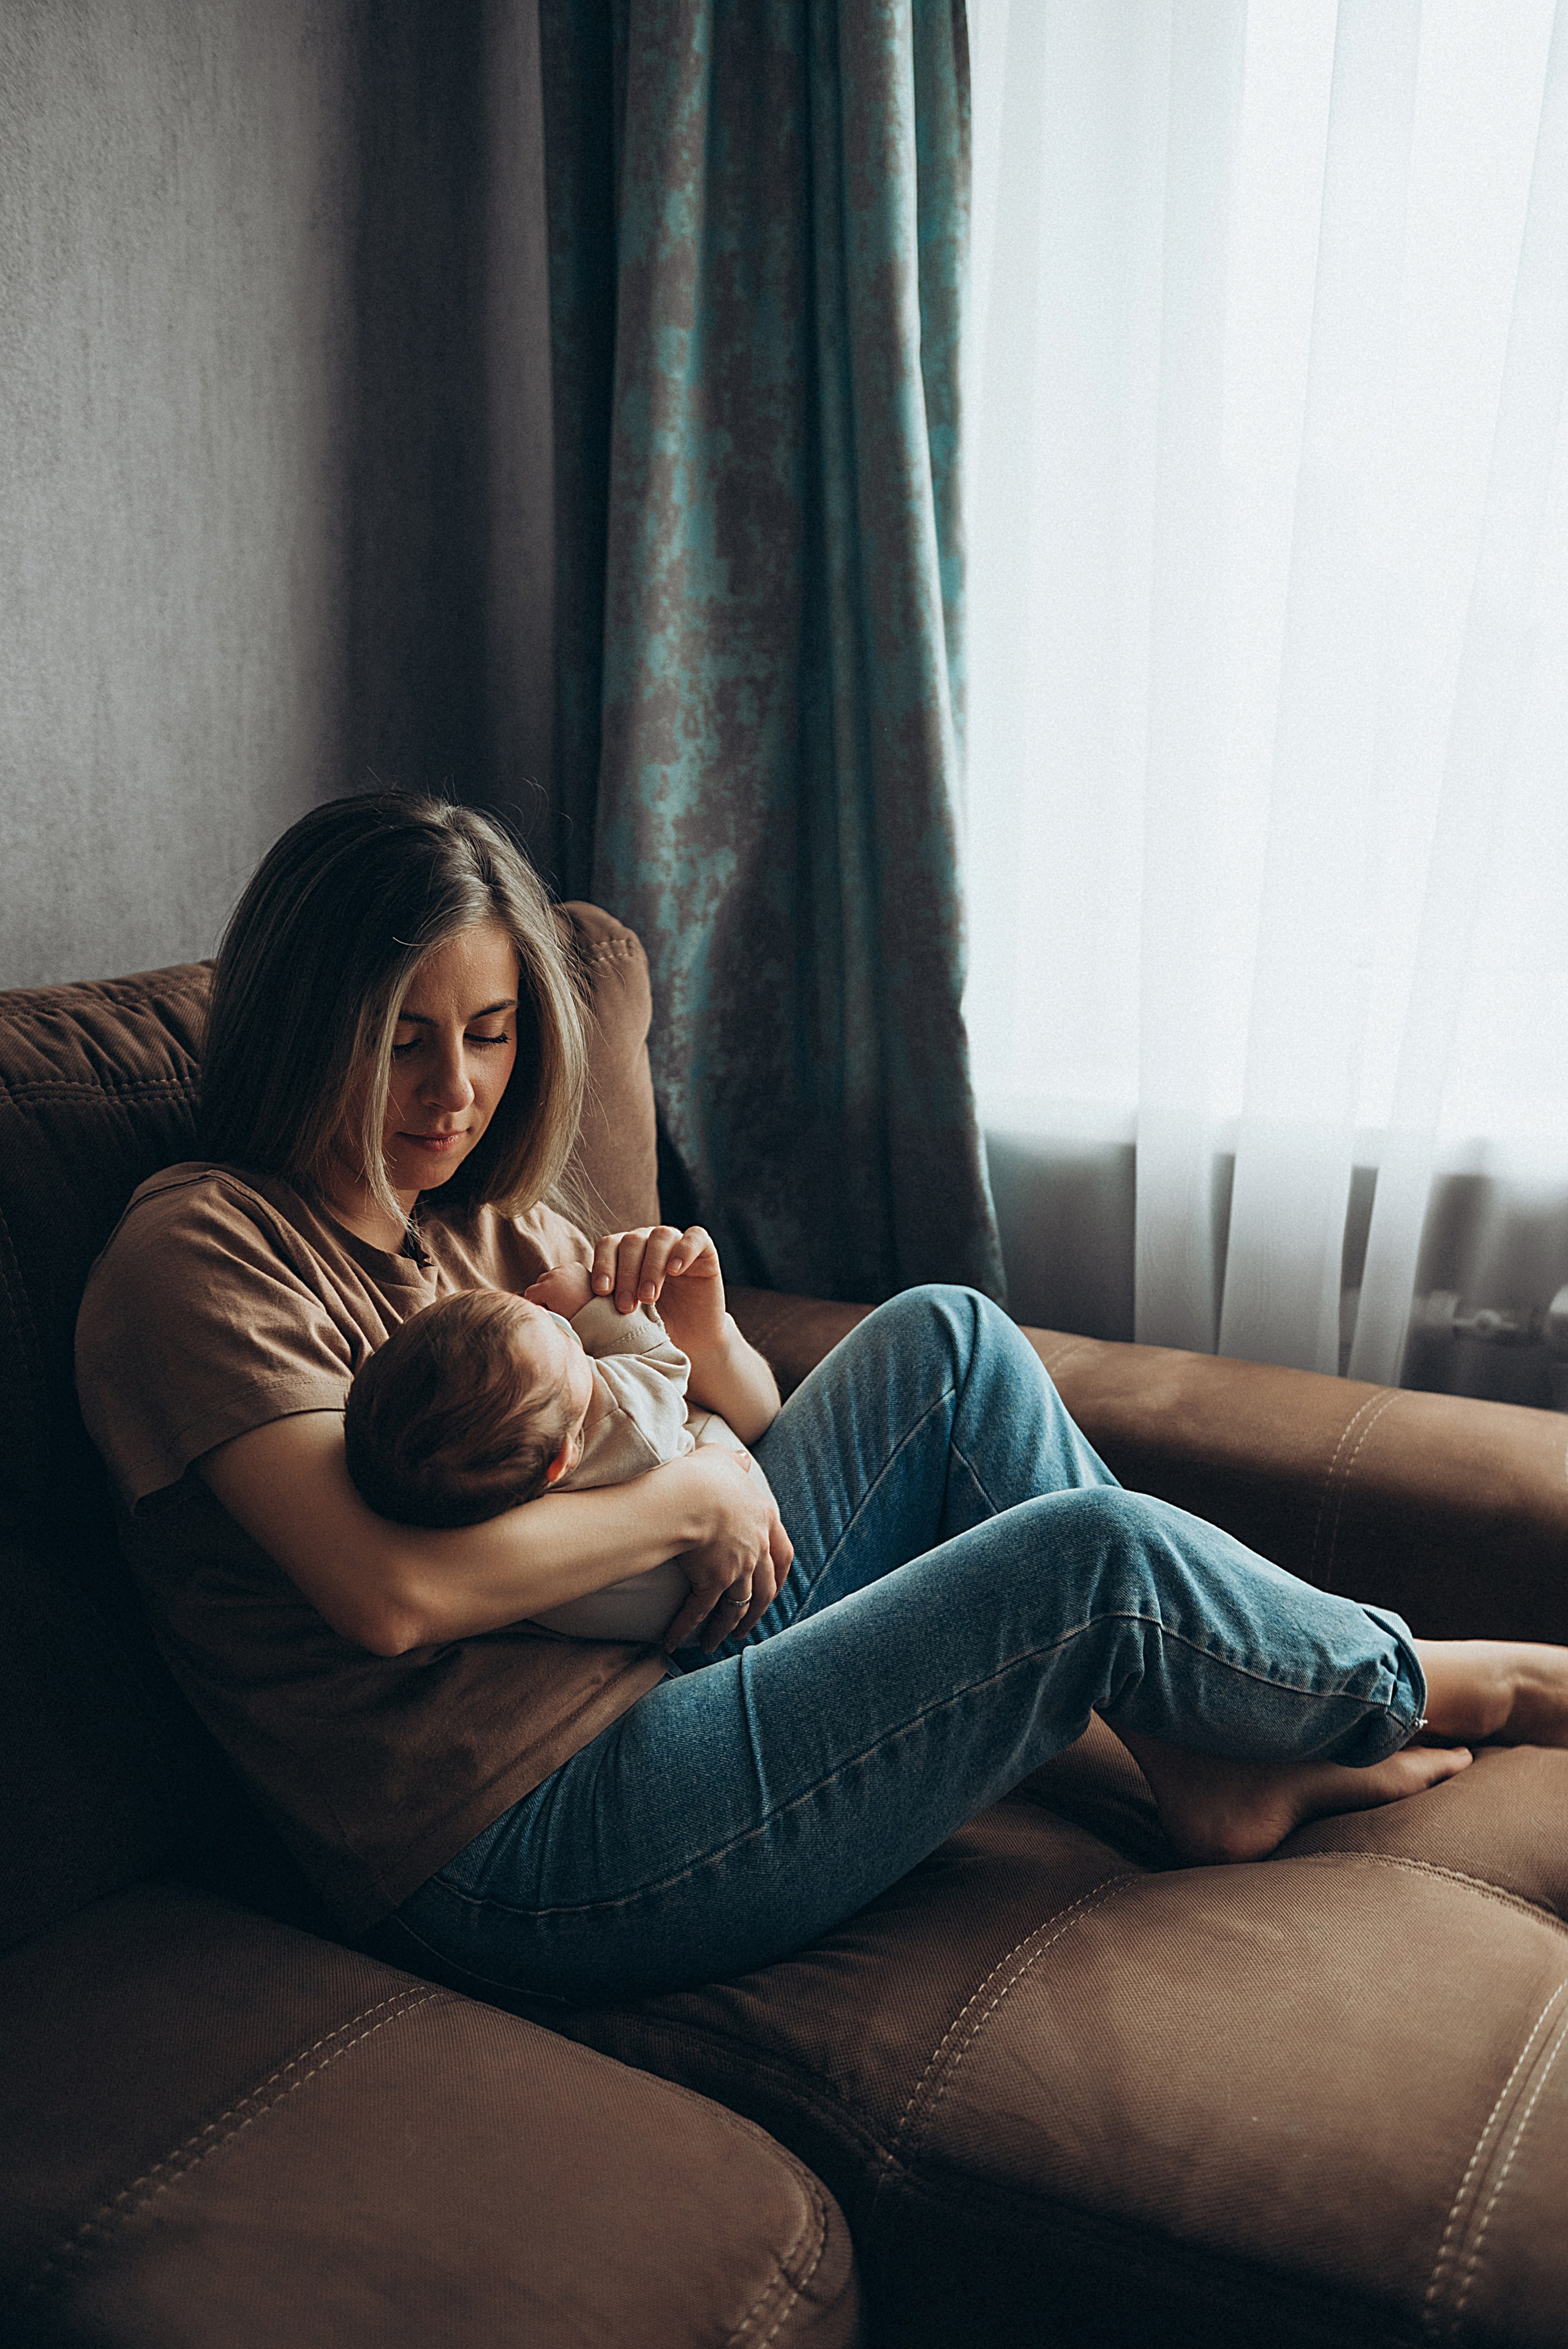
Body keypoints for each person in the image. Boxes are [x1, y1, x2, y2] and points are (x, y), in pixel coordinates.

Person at [74, 793, 1568, 2008]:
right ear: (304, 1019)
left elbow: (736, 1424)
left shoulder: (488, 1224)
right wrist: (689, 1499)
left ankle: (1198, 1761)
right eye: (404, 1034)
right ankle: (1467, 1680)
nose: (454, 1088)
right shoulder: (199, 1250)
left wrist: (706, 1335)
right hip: (517, 1841)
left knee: (950, 1341)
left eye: (491, 1029)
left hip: (660, 1659)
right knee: (1089, 1559)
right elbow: (388, 1592)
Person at [341, 1258, 769, 1641]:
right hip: (736, 1575)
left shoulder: (484, 1477)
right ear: (565, 1457)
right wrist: (595, 1312)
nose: (561, 1323)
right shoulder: (623, 1419)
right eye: (567, 1345)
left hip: (638, 1617)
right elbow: (666, 1369)